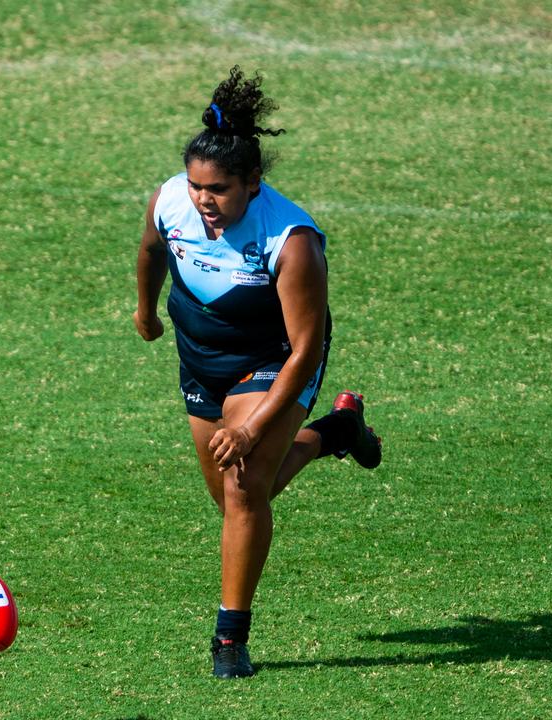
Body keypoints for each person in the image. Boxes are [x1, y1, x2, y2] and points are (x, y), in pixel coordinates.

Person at [133, 66, 383, 679]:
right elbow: (150, 248)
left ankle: (229, 639)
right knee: (237, 497)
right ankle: (335, 434)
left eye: (217, 189)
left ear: (253, 182)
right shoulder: (170, 199)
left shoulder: (291, 239)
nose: (203, 200)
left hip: (274, 358)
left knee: (243, 483)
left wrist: (249, 429)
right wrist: (144, 309)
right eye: (196, 186)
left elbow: (302, 353)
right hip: (201, 356)